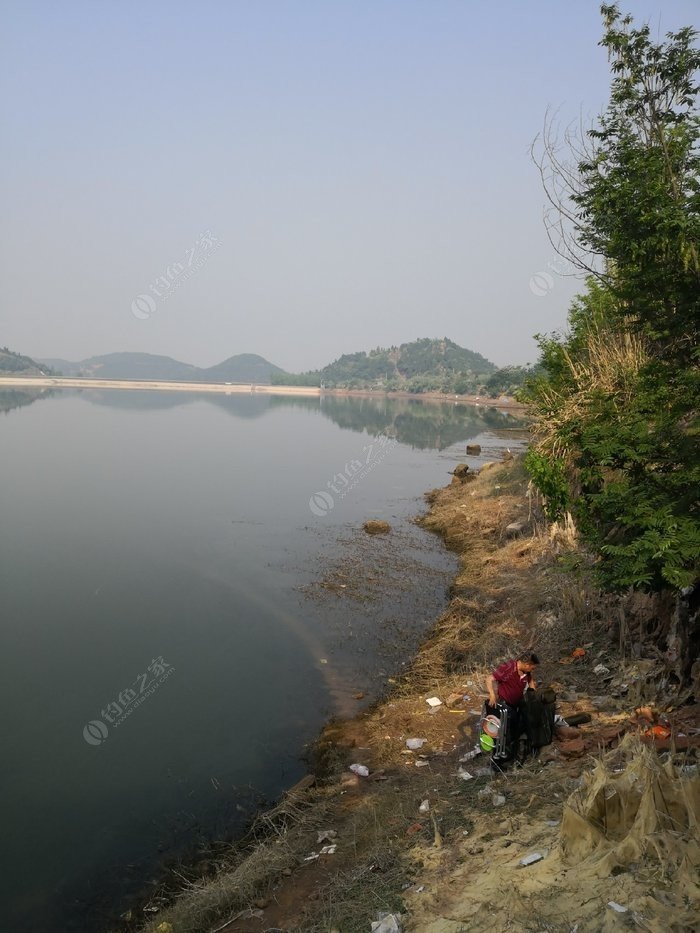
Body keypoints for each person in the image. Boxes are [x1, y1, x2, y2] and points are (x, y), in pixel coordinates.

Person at [484, 651, 540, 766]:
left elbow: (531, 682)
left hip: (516, 705)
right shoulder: (508, 668)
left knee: (515, 731)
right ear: (527, 664)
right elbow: (489, 679)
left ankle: (511, 756)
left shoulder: (526, 672)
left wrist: (533, 695)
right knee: (504, 733)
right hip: (504, 705)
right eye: (532, 668)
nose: (532, 671)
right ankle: (497, 761)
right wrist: (492, 694)